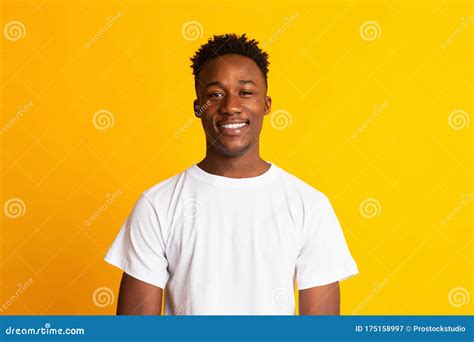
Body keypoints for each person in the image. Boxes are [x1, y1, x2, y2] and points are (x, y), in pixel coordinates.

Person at [104, 33, 359, 315]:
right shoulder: (157, 205)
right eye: (215, 94)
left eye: (246, 92)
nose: (231, 107)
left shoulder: (309, 205)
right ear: (198, 107)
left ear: (266, 104)